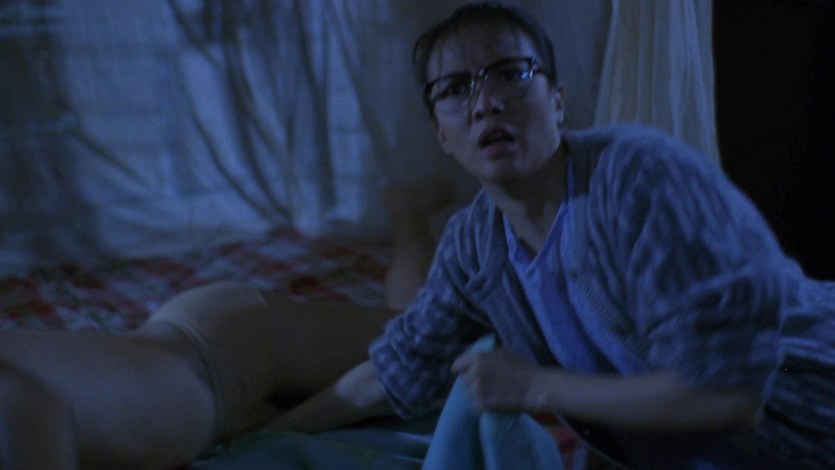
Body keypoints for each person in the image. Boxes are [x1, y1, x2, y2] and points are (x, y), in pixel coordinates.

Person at [269, 3, 835, 469]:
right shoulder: (476, 242)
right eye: (456, 88)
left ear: (558, 102)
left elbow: (728, 390)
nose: (485, 103)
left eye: (511, 74)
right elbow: (395, 369)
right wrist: (268, 435)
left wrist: (537, 387)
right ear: (441, 133)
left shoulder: (636, 178)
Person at [0, 180, 454, 469]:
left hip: (222, 348)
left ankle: (407, 212)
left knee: (421, 336)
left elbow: (31, 408)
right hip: (209, 401)